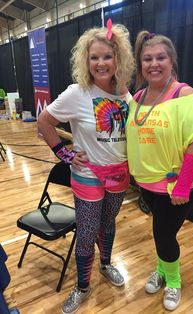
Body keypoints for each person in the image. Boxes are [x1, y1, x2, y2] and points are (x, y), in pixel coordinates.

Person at [37, 20, 134, 314]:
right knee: (88, 231)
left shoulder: (125, 95)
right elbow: (44, 122)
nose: (101, 63)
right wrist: (63, 154)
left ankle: (105, 264)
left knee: (107, 224)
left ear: (118, 59)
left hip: (119, 173)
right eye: (94, 57)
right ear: (86, 60)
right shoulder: (76, 93)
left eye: (107, 56)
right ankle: (82, 286)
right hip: (88, 174)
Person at [126, 31, 193, 311]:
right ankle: (162, 269)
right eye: (147, 59)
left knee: (164, 235)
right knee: (161, 234)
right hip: (147, 183)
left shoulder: (185, 95)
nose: (154, 64)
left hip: (176, 187)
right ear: (141, 64)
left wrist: (183, 185)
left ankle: (173, 281)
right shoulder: (138, 97)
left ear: (171, 60)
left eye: (160, 57)